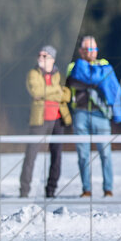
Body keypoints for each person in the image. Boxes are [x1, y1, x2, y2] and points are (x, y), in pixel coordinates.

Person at [66, 35, 121, 198]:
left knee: (105, 153)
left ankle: (108, 189)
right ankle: (86, 189)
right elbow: (72, 82)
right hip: (80, 114)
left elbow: (113, 87)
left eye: (93, 49)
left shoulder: (105, 65)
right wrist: (97, 82)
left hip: (101, 114)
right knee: (83, 154)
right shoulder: (73, 66)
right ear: (80, 51)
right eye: (87, 49)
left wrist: (89, 81)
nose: (90, 52)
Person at [19, 46, 71, 198]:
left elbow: (66, 96)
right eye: (39, 54)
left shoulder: (59, 76)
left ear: (52, 59)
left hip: (58, 120)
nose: (40, 57)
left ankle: (51, 190)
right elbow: (36, 92)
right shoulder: (33, 74)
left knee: (56, 156)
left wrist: (48, 93)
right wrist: (56, 92)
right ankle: (24, 191)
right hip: (39, 120)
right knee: (30, 156)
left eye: (45, 55)